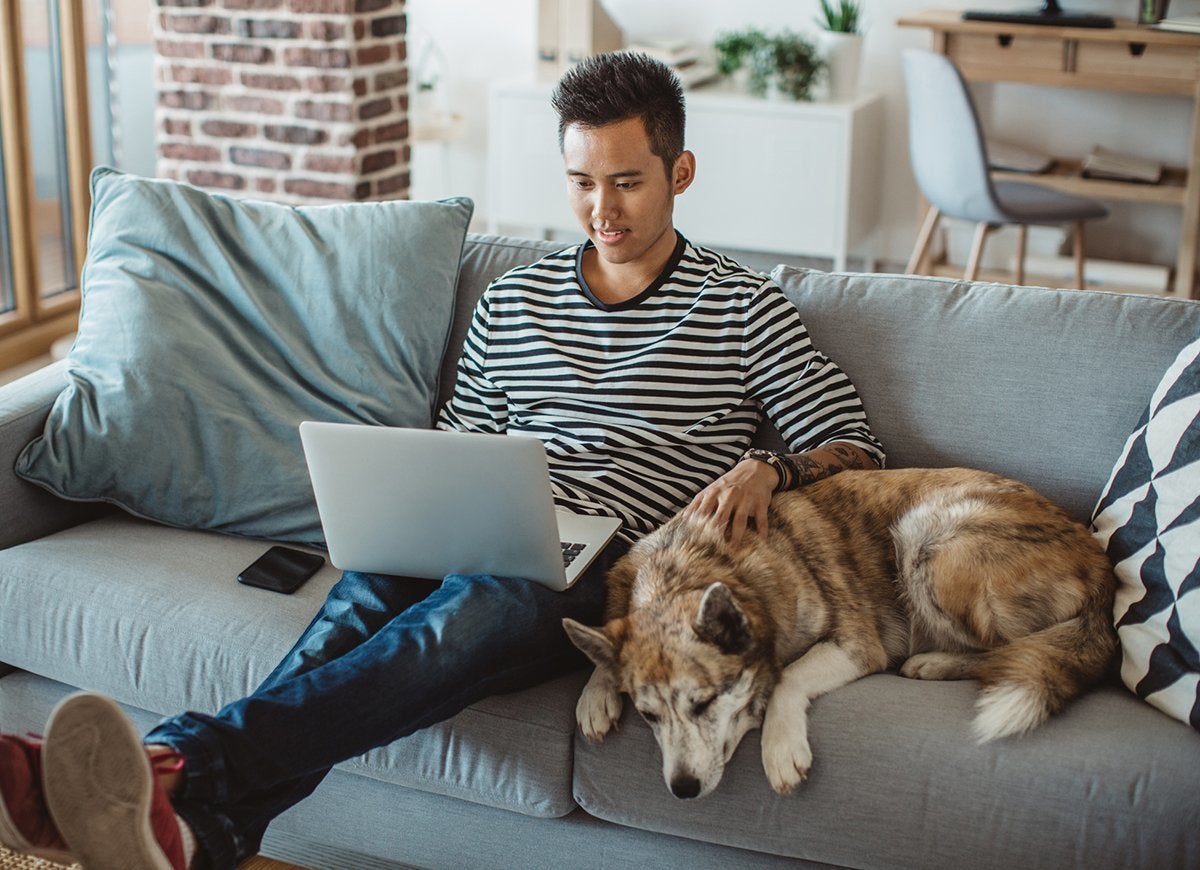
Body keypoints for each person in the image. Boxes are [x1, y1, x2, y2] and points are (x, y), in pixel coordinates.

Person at [0, 52, 883, 870]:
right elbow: (461, 441)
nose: (603, 210)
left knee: (466, 611)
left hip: (622, 563)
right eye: (581, 183)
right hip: (491, 520)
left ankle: (173, 764)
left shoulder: (742, 308)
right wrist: (426, 498)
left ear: (679, 174)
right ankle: (202, 829)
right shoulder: (515, 299)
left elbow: (856, 446)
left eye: (627, 182)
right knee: (354, 616)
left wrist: (770, 468)